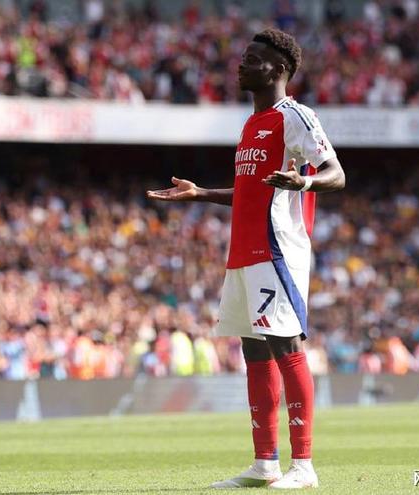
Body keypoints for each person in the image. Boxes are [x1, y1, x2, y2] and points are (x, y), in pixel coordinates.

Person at [147, 28, 345, 489]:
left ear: (279, 69)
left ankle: (304, 466)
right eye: (243, 57)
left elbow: (336, 173)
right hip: (243, 250)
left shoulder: (295, 115)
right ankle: (265, 464)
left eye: (253, 60)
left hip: (277, 250)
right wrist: (201, 194)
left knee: (286, 347)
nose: (242, 65)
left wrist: (304, 182)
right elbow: (251, 193)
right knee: (253, 350)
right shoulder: (251, 124)